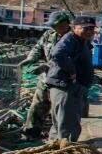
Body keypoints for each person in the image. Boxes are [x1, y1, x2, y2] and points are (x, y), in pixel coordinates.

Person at [19, 11, 71, 140]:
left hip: (63, 80)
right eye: (53, 25)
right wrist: (30, 58)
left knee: (60, 110)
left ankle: (59, 138)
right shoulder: (49, 34)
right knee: (38, 105)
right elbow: (38, 48)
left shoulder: (73, 38)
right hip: (46, 78)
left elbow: (67, 60)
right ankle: (31, 133)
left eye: (57, 25)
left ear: (66, 24)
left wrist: (47, 65)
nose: (54, 28)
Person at [45, 16, 96, 141]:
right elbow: (57, 54)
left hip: (75, 88)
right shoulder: (70, 39)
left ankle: (57, 146)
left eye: (92, 28)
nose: (89, 31)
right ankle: (64, 149)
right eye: (85, 28)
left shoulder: (82, 41)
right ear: (74, 28)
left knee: (66, 122)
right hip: (65, 86)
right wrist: (71, 70)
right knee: (66, 124)